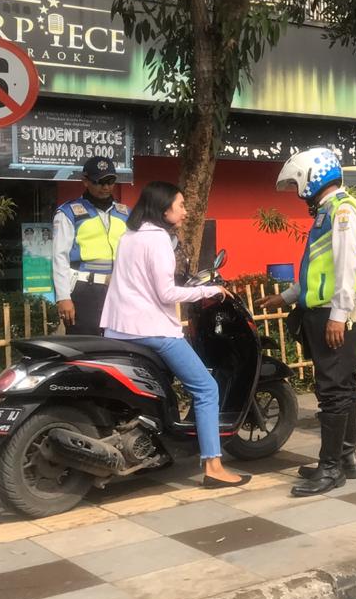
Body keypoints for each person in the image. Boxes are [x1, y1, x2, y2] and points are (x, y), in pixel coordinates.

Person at [99, 181, 247, 488]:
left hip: (117, 329)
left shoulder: (129, 236)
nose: (184, 211)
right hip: (152, 330)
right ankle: (213, 465)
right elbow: (166, 292)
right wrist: (212, 290)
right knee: (206, 388)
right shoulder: (158, 240)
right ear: (164, 208)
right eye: (180, 205)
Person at [259, 148, 356, 497]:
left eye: (297, 184)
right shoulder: (329, 212)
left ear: (313, 177)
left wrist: (338, 315)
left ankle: (330, 468)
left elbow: (346, 267)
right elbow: (317, 270)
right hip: (326, 309)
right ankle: (346, 457)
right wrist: (289, 296)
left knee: (333, 392)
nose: (297, 192)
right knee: (344, 387)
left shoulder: (342, 211)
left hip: (333, 313)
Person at [52, 156, 129, 334]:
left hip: (119, 289)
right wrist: (63, 297)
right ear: (85, 181)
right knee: (87, 347)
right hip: (85, 289)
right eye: (99, 182)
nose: (106, 187)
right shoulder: (68, 213)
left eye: (110, 181)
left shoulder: (124, 213)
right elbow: (59, 257)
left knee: (120, 345)